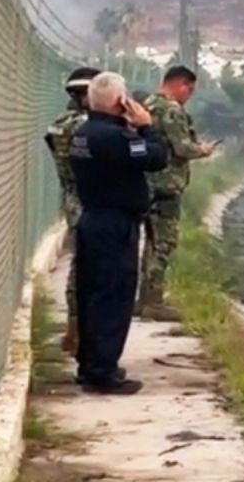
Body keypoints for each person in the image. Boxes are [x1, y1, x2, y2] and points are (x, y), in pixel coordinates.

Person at [70, 72, 169, 394]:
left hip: (92, 219)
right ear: (120, 102)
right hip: (114, 225)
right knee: (113, 297)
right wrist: (145, 125)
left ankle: (90, 364)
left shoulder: (85, 132)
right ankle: (103, 372)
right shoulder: (113, 137)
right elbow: (156, 157)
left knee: (92, 295)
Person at [141, 66, 214, 321]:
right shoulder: (171, 110)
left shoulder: (148, 104)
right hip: (166, 183)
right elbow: (181, 148)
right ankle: (153, 302)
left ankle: (144, 299)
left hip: (146, 182)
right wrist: (202, 149)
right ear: (182, 85)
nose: (189, 96)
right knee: (163, 242)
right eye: (190, 90)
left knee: (150, 242)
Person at [44, 66, 101, 355]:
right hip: (94, 202)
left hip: (72, 198)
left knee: (80, 265)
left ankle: (74, 329)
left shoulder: (59, 125)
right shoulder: (91, 126)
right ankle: (85, 334)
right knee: (95, 270)